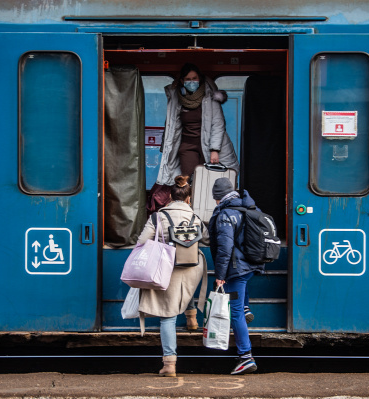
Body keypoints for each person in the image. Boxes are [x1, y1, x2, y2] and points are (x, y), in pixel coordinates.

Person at [137, 175, 209, 377]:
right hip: (192, 266)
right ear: (188, 198)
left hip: (167, 268)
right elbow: (208, 239)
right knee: (185, 289)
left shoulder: (158, 217)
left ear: (169, 196)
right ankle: (192, 319)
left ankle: (169, 364)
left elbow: (142, 241)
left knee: (167, 317)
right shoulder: (195, 218)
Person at [208, 177, 265, 375]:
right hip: (249, 265)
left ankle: (246, 357)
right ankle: (247, 307)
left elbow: (225, 248)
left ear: (219, 197)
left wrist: (220, 275)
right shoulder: (248, 207)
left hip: (236, 269)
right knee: (241, 304)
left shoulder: (226, 214)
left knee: (235, 313)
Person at [156, 63, 239, 186]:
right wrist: (165, 146)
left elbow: (218, 124)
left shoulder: (210, 96)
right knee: (188, 181)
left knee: (212, 180)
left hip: (209, 143)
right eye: (188, 79)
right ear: (182, 81)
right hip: (187, 145)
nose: (192, 82)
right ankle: (190, 204)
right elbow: (170, 124)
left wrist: (214, 150)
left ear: (199, 79)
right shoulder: (177, 97)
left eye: (194, 78)